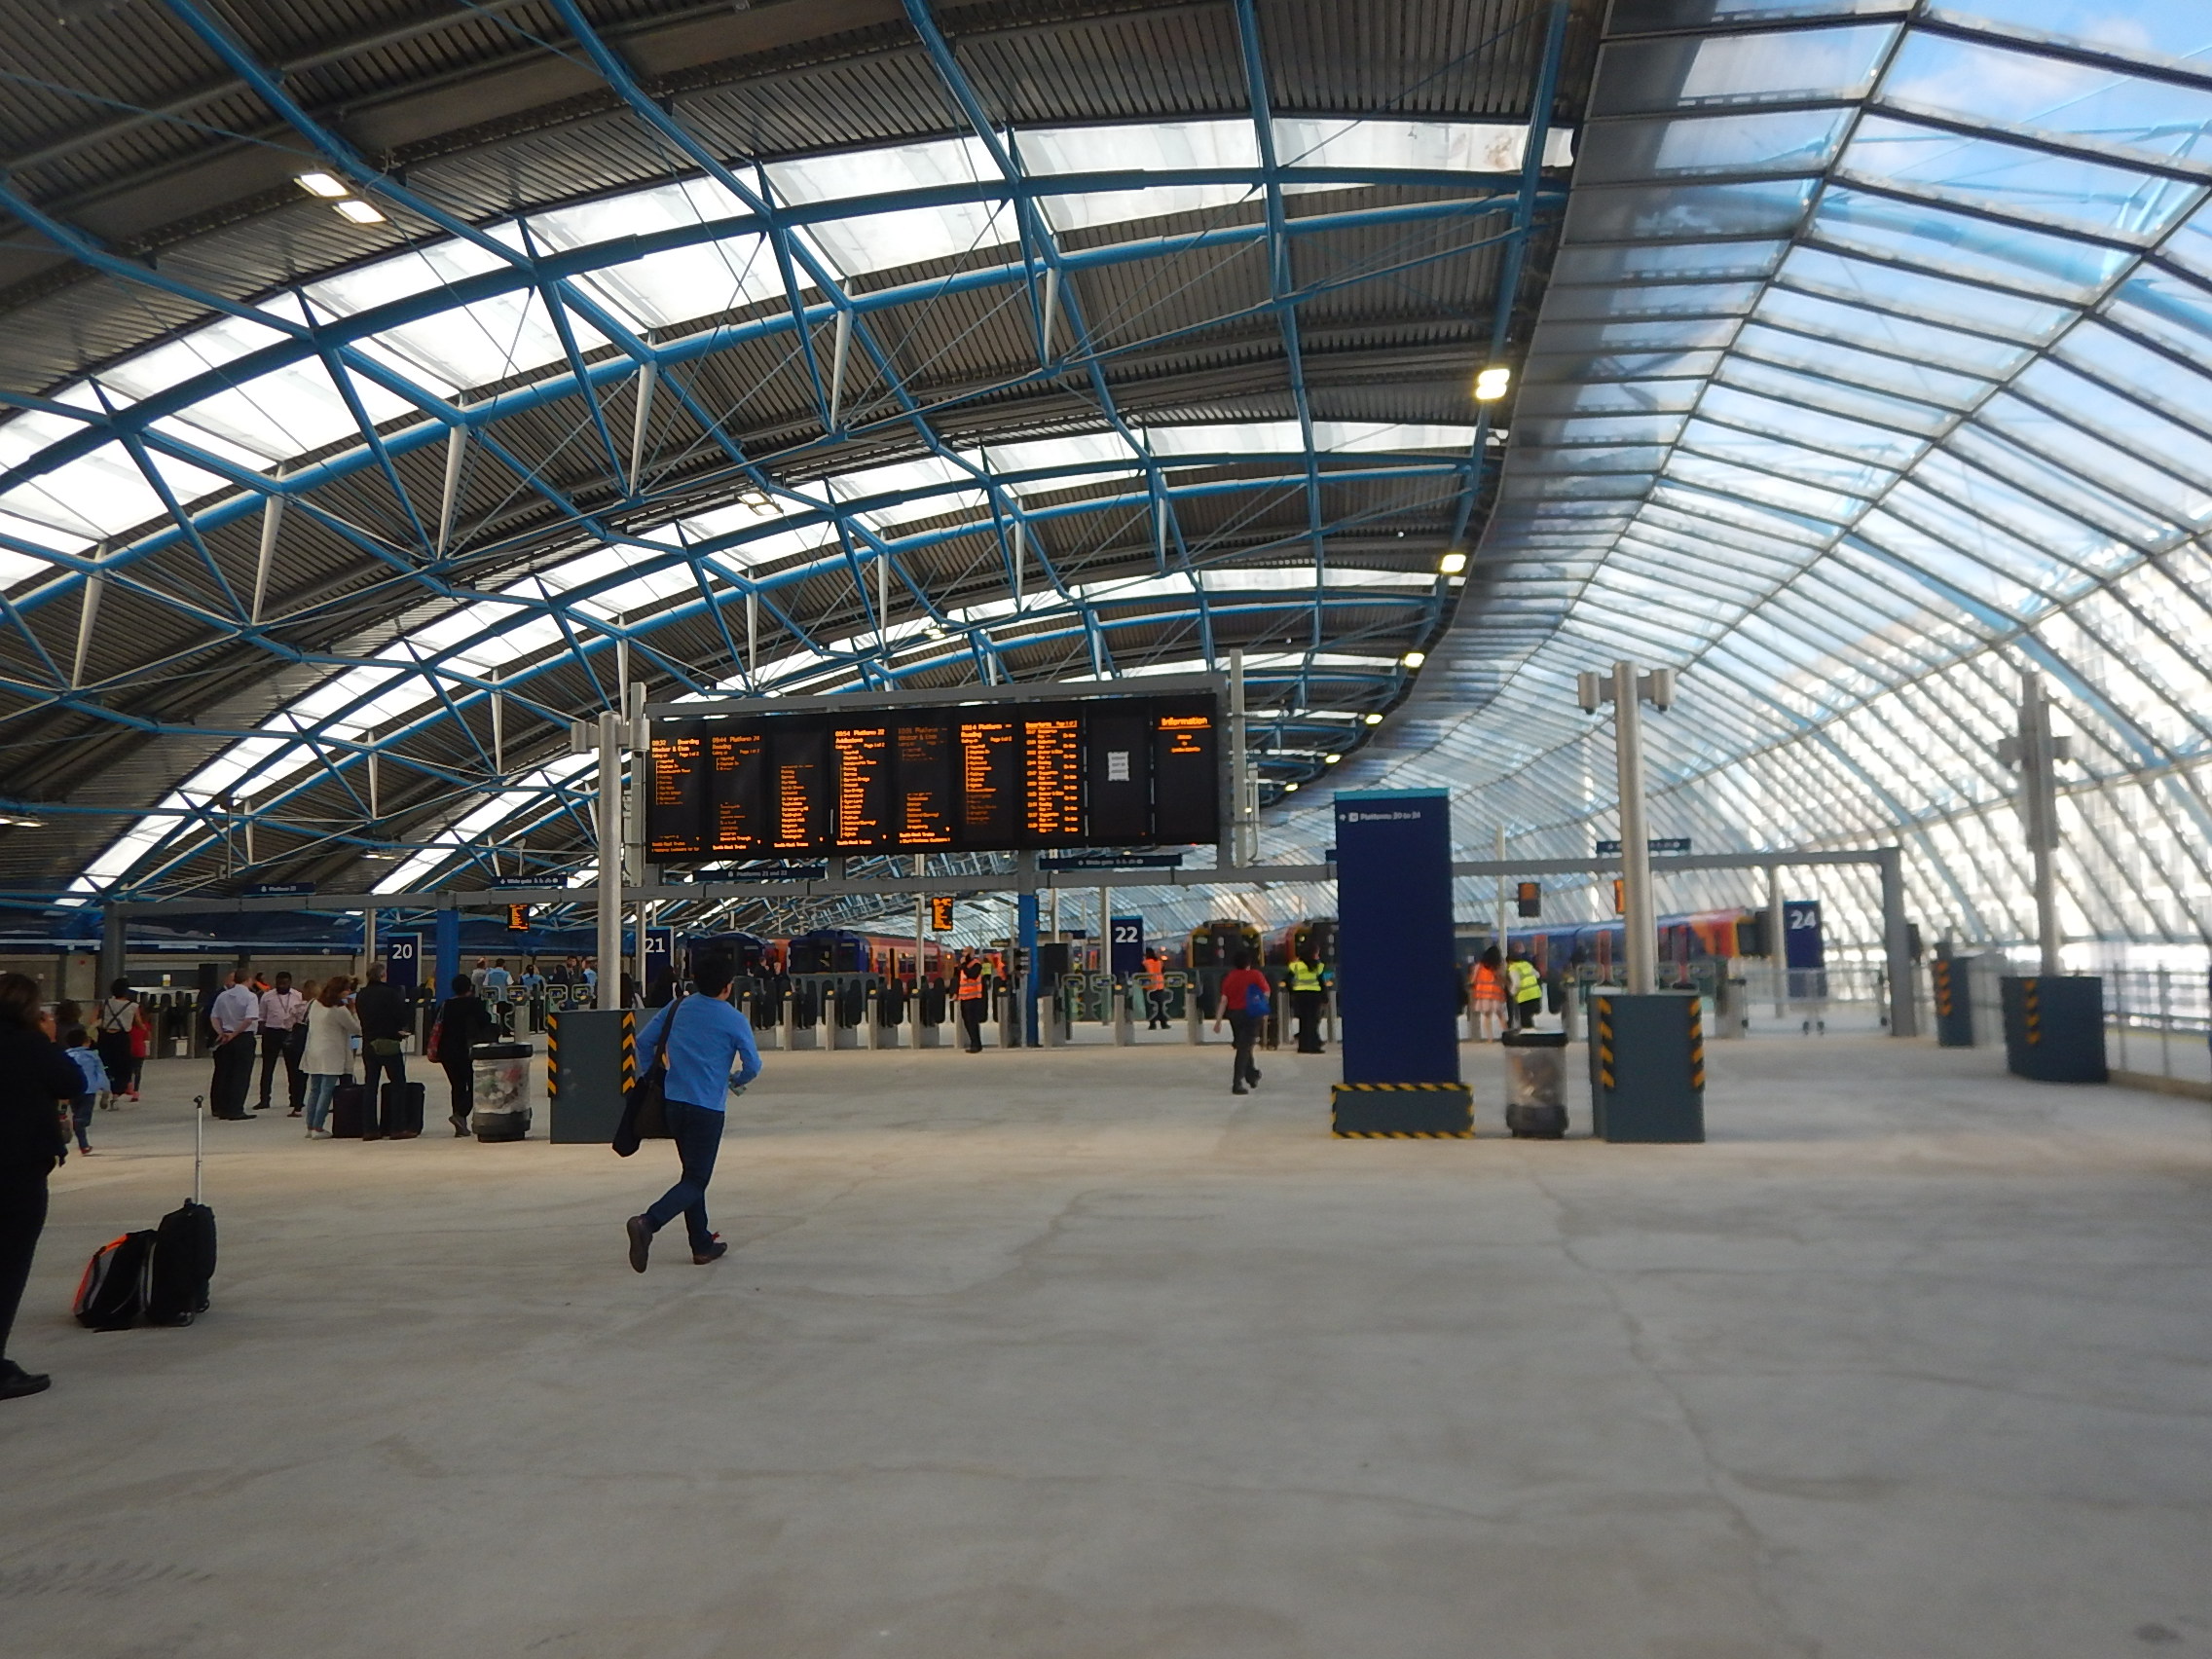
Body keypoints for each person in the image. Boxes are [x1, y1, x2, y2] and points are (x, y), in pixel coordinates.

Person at [624, 951, 761, 1273]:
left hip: (673, 1103)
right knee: (697, 1179)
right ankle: (648, 1222)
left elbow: (642, 1042)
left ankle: (701, 1245)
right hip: (706, 1108)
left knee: (691, 1175)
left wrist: (657, 1075)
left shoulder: (677, 1008)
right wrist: (736, 1080)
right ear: (728, 986)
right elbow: (753, 1065)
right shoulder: (733, 1019)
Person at [1, 974, 87, 1399]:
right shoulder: (31, 1046)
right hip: (17, 1172)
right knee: (8, 1266)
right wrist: (48, 1040)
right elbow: (73, 1083)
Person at [432, 975, 496, 1136]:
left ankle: (460, 1125)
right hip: (467, 1050)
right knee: (477, 1084)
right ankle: (460, 1114)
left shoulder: (446, 1004)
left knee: (457, 1086)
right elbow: (485, 1021)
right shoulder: (473, 1004)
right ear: (469, 988)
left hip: (446, 1051)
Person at [300, 976, 359, 1137]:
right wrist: (353, 1011)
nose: (349, 992)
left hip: (313, 1050)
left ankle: (310, 1126)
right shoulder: (339, 1009)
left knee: (315, 1090)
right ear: (339, 991)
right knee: (326, 1090)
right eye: (346, 990)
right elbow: (356, 1029)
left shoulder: (315, 1004)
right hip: (331, 1053)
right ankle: (318, 1127)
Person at [1212, 950, 1269, 1095]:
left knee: (1244, 1045)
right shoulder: (1256, 975)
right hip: (1252, 1014)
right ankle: (1237, 1083)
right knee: (1244, 1048)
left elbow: (1224, 1000)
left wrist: (1218, 1020)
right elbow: (1266, 993)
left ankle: (1252, 1074)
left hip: (1235, 1015)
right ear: (1249, 963)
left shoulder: (1229, 977)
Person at [206, 971, 260, 1120]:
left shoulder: (223, 996)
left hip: (225, 1036)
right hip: (243, 1036)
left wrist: (222, 1033)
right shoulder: (250, 996)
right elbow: (249, 1019)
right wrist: (235, 1033)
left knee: (225, 1073)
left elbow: (214, 1017)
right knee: (241, 1074)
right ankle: (235, 1109)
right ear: (248, 980)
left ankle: (222, 1108)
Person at [353, 963, 409, 1103]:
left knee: (370, 1085)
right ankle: (396, 1115)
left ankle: (368, 1117)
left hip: (368, 1042)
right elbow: (402, 1017)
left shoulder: (361, 995)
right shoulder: (391, 993)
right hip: (388, 1042)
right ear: (383, 975)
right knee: (398, 1084)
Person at [255, 971, 308, 1113]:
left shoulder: (297, 995)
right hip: (272, 1032)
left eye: (285, 983)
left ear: (290, 982)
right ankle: (264, 1099)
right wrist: (263, 1030)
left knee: (293, 1068)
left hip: (290, 1032)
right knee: (267, 1068)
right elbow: (261, 1016)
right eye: (279, 983)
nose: (282, 986)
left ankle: (295, 1098)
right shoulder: (267, 996)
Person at [94, 979, 146, 1103]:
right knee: (122, 1067)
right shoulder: (133, 1006)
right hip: (122, 1038)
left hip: (105, 1037)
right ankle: (116, 1093)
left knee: (106, 1064)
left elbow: (94, 1019)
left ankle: (106, 1086)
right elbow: (139, 1024)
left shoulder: (104, 1003)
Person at [61, 1020, 107, 1156]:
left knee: (78, 1116)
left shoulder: (65, 1056)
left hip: (72, 1090)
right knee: (83, 1119)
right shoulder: (93, 1056)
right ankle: (80, 1137)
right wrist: (105, 1088)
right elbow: (100, 1072)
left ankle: (83, 1144)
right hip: (89, 1090)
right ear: (86, 1042)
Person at [1286, 946, 1330, 1053]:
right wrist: (1325, 997)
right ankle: (1313, 1046)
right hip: (1314, 996)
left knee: (1303, 1021)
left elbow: (1288, 980)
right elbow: (1321, 982)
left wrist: (1292, 992)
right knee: (1313, 1021)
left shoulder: (1296, 965)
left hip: (1300, 996)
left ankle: (1302, 1046)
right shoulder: (1318, 966)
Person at [1471, 945, 1506, 1042]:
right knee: (1501, 1015)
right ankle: (1506, 1033)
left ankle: (1489, 1038)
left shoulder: (1479, 966)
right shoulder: (1498, 966)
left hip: (1483, 995)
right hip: (1496, 995)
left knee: (1487, 1017)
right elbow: (1502, 978)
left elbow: (1473, 980)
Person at [1506, 946, 1543, 1031]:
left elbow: (1516, 983)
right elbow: (1537, 975)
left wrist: (1512, 992)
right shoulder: (1526, 964)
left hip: (1525, 996)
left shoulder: (1513, 968)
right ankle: (1532, 1032)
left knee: (1525, 1019)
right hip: (1536, 994)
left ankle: (1528, 1035)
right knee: (1529, 1017)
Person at [956, 952, 986, 1052]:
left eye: (965, 952)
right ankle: (974, 1043)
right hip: (964, 998)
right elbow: (958, 980)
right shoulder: (963, 966)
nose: (963, 955)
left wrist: (964, 965)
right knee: (967, 1022)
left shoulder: (976, 965)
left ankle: (976, 1045)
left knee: (972, 1022)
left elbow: (972, 975)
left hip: (973, 998)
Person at [1140, 948, 1170, 1029]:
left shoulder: (1145, 963)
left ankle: (1152, 1024)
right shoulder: (1159, 962)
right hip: (1160, 986)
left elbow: (1141, 974)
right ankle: (1163, 1023)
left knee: (1151, 1006)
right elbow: (1163, 972)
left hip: (1150, 987)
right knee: (1160, 1006)